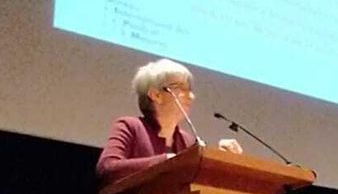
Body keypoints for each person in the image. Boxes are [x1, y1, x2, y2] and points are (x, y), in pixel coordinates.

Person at [95, 58, 240, 186]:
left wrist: (222, 161)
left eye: (190, 89)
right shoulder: (130, 126)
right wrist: (169, 161)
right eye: (180, 87)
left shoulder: (188, 141)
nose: (191, 96)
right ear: (156, 95)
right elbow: (107, 168)